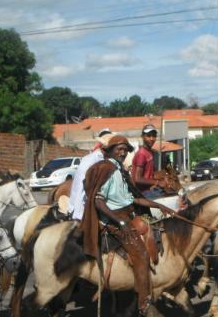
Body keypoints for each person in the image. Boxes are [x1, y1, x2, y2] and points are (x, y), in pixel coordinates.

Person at [80, 135, 175, 317]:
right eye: (119, 149)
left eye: (125, 150)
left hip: (127, 215)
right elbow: (98, 202)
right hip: (112, 220)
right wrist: (120, 221)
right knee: (141, 253)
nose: (123, 153)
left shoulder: (119, 169)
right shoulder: (106, 169)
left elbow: (134, 198)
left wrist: (159, 205)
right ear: (110, 150)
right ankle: (143, 304)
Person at [68, 130, 114, 220]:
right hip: (82, 204)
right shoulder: (91, 160)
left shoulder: (101, 159)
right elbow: (81, 186)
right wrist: (78, 213)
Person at [131, 124, 168, 199]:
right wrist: (157, 183)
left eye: (154, 136)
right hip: (143, 192)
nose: (151, 138)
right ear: (143, 137)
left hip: (150, 189)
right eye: (148, 136)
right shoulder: (142, 154)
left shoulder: (150, 152)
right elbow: (137, 178)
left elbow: (149, 174)